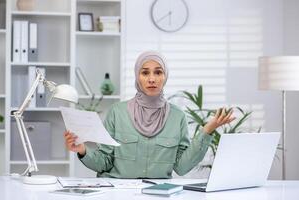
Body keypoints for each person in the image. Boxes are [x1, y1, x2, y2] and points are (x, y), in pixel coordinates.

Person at [64, 51, 235, 178]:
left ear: (165, 76)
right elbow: (104, 161)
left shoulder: (177, 117)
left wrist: (207, 131)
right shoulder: (118, 112)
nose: (151, 79)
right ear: (137, 76)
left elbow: (181, 167)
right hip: (118, 192)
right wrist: (82, 150)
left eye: (158, 72)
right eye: (145, 72)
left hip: (158, 194)